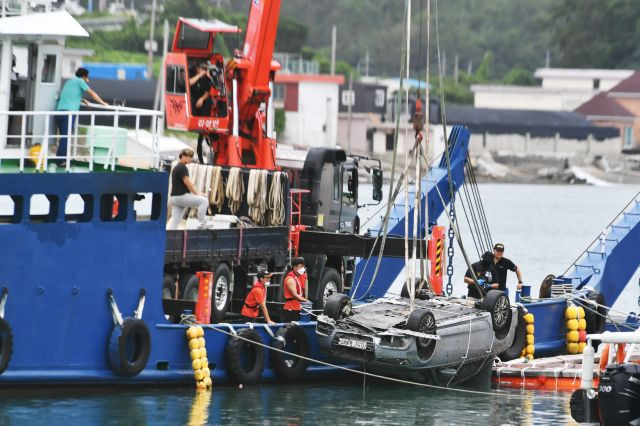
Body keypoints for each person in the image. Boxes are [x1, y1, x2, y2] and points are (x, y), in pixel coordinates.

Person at [55, 67, 108, 165]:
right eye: (87, 77)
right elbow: (91, 93)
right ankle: (60, 161)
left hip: (59, 112)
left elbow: (69, 95)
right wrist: (103, 103)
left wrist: (81, 99)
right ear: (85, 76)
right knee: (66, 137)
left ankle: (61, 159)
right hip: (69, 113)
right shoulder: (80, 81)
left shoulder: (69, 82)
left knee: (63, 137)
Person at [167, 148, 210, 230]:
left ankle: (169, 237)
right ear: (183, 156)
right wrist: (197, 193)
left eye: (191, 157)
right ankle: (202, 224)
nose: (191, 159)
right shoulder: (182, 168)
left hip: (174, 198)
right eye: (189, 157)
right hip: (181, 196)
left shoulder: (176, 167)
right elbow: (188, 182)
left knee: (175, 221)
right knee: (204, 201)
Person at [282, 257, 308, 322]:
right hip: (291, 308)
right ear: (294, 267)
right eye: (300, 266)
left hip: (300, 307)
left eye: (303, 266)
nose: (302, 268)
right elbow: (295, 295)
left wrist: (306, 301)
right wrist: (306, 302)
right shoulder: (290, 279)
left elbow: (305, 289)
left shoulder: (302, 275)